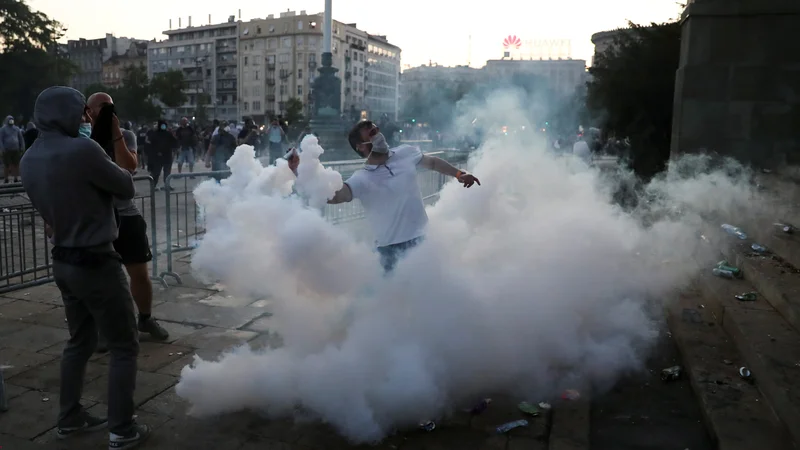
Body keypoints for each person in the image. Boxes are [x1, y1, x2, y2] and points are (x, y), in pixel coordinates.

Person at [20, 86, 150, 448]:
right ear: (65, 113)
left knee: (79, 342)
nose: (85, 119)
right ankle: (122, 430)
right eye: (80, 112)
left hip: (62, 259)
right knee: (124, 345)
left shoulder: (30, 157)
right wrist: (109, 138)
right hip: (96, 260)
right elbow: (125, 186)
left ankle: (69, 417)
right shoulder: (82, 149)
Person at [328, 121, 481, 272]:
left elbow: (433, 163)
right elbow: (339, 196)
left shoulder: (405, 152)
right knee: (393, 295)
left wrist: (459, 174)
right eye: (372, 134)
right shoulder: (361, 178)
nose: (379, 136)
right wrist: (312, 182)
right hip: (390, 251)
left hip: (422, 240)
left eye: (377, 130)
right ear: (361, 146)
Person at [86, 93, 169, 348]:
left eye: (108, 106)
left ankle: (145, 318)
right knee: (100, 279)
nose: (104, 111)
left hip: (126, 215)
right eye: (98, 107)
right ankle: (104, 328)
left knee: (140, 273)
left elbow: (129, 167)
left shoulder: (125, 135)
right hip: (96, 216)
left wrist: (114, 133)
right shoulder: (81, 137)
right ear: (87, 111)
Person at [148, 119, 177, 190]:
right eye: (162, 124)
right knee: (156, 172)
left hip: (167, 156)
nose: (163, 126)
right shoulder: (155, 134)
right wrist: (157, 152)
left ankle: (167, 185)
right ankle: (153, 186)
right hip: (158, 156)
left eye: (165, 124)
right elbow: (152, 145)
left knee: (167, 172)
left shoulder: (168, 134)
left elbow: (174, 142)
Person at [1, 115, 25, 183]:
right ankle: (6, 178)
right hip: (7, 149)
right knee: (6, 165)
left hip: (16, 149)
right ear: (6, 120)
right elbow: (1, 140)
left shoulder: (16, 129)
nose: (11, 120)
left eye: (12, 119)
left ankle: (15, 178)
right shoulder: (3, 129)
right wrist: (2, 148)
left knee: (16, 164)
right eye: (9, 119)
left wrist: (22, 147)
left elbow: (21, 138)